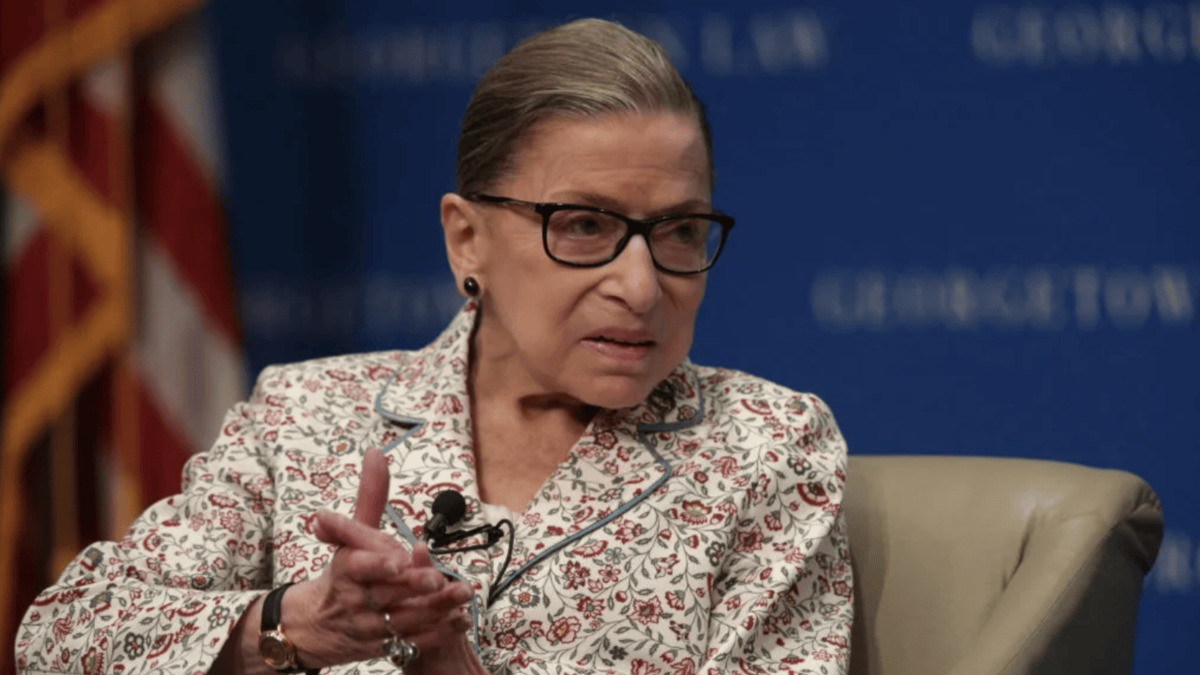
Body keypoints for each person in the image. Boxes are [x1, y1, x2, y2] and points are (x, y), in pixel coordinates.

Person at [16, 18, 853, 675]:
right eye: (586, 225)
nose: (641, 285)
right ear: (467, 240)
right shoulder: (307, 414)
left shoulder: (765, 445)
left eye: (677, 231)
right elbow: (59, 638)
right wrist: (292, 623)